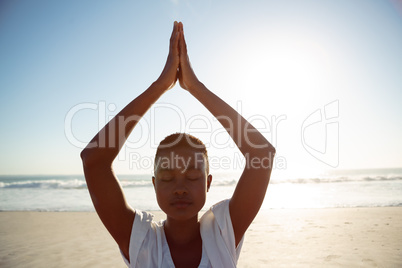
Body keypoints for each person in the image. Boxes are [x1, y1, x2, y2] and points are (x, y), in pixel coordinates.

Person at [80, 21, 276, 268]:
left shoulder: (223, 235)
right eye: (167, 177)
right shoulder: (142, 243)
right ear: (154, 183)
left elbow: (262, 154)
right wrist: (160, 86)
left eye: (193, 177)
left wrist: (195, 87)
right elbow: (93, 160)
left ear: (208, 183)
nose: (180, 188)